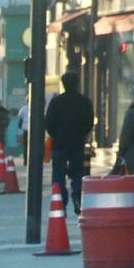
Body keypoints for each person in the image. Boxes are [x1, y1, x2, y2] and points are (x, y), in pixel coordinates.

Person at [44, 71, 94, 213]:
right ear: (77, 84)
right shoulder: (84, 101)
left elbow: (49, 122)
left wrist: (56, 135)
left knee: (58, 174)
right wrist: (82, 134)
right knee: (78, 171)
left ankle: (60, 202)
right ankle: (77, 195)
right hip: (78, 143)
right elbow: (89, 122)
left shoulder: (56, 102)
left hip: (59, 144)